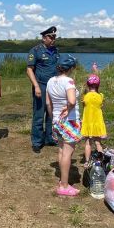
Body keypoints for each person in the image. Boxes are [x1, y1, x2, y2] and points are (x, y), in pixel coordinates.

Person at [46, 54, 81, 196]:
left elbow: (48, 103)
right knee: (68, 153)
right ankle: (65, 186)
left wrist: (52, 117)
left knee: (61, 151)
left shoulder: (50, 81)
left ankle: (62, 181)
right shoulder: (69, 82)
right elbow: (72, 101)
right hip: (69, 122)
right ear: (71, 67)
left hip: (56, 121)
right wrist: (68, 108)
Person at [26, 26, 60, 153]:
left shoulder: (56, 50)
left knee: (51, 114)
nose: (53, 40)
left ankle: (49, 138)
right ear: (44, 38)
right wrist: (36, 86)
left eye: (54, 37)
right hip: (41, 85)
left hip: (53, 86)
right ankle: (37, 141)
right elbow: (29, 69)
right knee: (39, 114)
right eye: (51, 37)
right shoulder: (35, 50)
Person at [80, 74, 106, 166]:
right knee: (98, 143)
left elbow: (84, 107)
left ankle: (87, 162)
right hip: (98, 122)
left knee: (88, 143)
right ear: (98, 85)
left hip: (88, 121)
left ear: (88, 85)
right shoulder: (101, 96)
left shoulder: (85, 96)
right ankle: (102, 161)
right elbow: (101, 106)